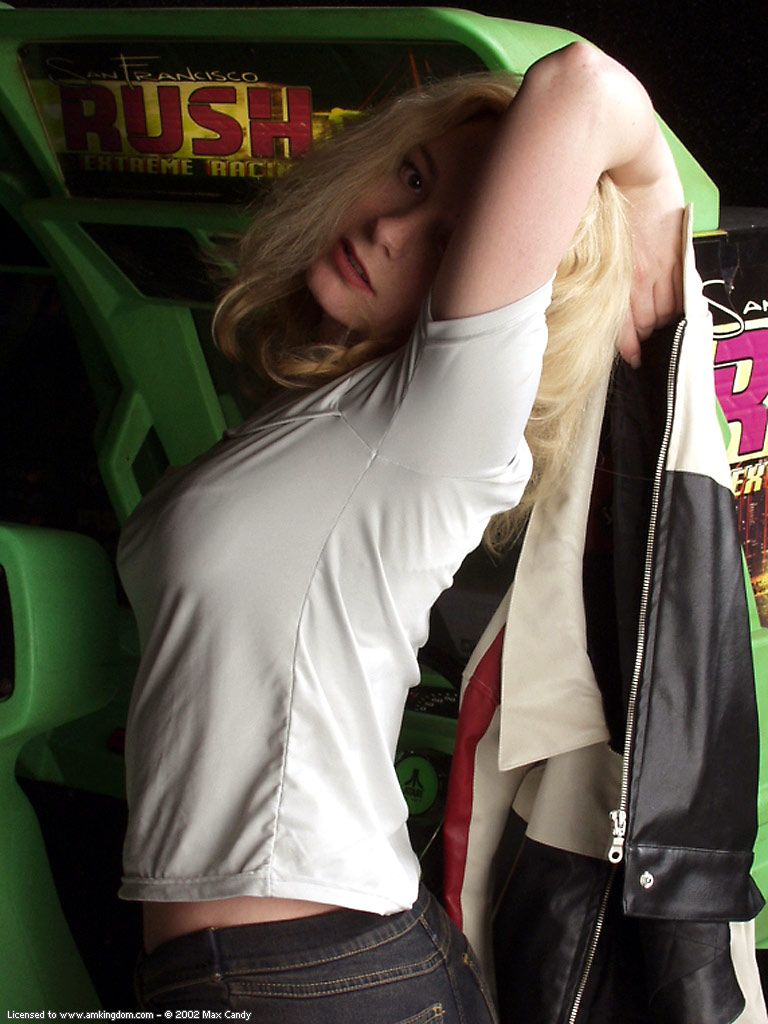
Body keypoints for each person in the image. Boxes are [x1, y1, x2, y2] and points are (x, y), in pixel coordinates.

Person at [118, 42, 684, 1019]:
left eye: (451, 234)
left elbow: (583, 87)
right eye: (411, 178)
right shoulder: (335, 411)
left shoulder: (444, 420)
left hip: (307, 972)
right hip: (283, 965)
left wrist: (653, 202)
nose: (389, 228)